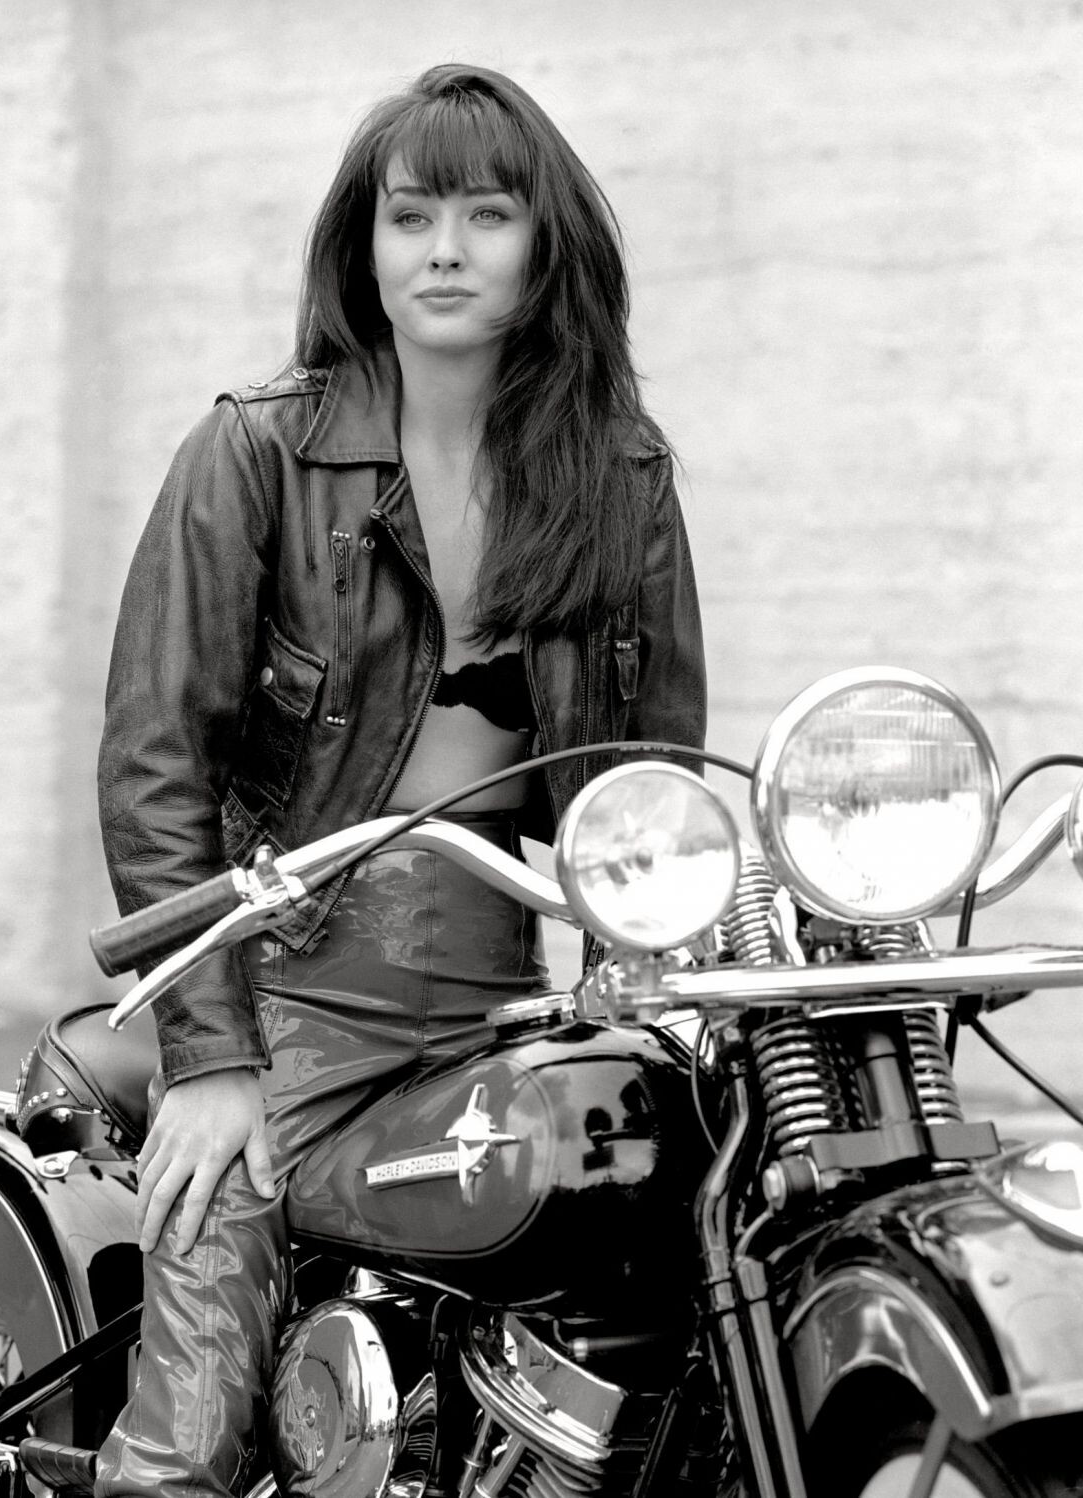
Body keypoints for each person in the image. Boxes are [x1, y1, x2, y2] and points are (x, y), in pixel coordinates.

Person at [95, 62, 706, 1498]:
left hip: (507, 996)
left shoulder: (620, 475)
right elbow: (155, 764)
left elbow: (658, 779)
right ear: (361, 247)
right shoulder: (257, 450)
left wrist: (661, 965)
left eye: (487, 215)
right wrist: (213, 1060)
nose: (444, 249)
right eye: (411, 214)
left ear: (544, 243)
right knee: (191, 1427)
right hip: (287, 996)